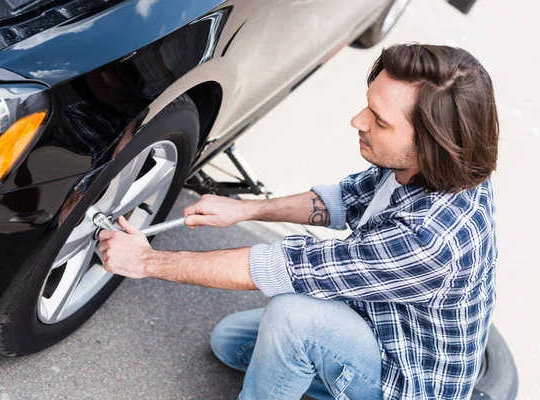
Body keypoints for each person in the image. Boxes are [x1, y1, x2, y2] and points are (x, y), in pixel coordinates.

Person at [98, 43, 499, 400]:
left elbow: (281, 268)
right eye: (368, 105)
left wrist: (147, 262)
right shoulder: (428, 165)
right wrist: (246, 210)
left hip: (404, 378)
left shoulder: (430, 240)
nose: (358, 121)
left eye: (379, 121)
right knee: (228, 343)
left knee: (292, 319)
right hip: (371, 312)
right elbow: (344, 200)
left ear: (431, 145)